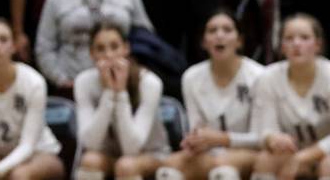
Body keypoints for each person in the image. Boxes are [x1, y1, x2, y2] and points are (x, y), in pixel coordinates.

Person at [156, 10, 264, 180]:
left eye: (227, 30)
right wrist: (193, 141)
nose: (219, 35)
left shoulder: (259, 75)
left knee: (223, 167)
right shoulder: (191, 77)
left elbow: (262, 136)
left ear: (239, 41)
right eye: (212, 31)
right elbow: (195, 128)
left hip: (251, 152)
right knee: (169, 167)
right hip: (210, 154)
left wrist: (222, 139)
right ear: (204, 42)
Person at [0, 18, 65, 180]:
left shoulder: (34, 81)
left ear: (13, 46)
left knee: (18, 175)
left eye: (3, 39)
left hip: (39, 153)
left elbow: (28, 145)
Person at [74, 21, 169, 180]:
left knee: (126, 165)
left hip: (150, 154)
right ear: (91, 53)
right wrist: (109, 94)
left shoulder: (150, 83)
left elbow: (131, 148)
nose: (109, 55)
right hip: (109, 155)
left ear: (126, 48)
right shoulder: (83, 82)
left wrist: (121, 93)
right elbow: (90, 143)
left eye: (114, 46)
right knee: (90, 160)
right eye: (100, 49)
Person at [249, 14, 330, 179]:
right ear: (281, 47)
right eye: (289, 38)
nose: (296, 43)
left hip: (324, 152)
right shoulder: (268, 77)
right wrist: (273, 138)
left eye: (305, 37)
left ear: (318, 45)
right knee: (265, 159)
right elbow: (263, 128)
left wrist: (304, 156)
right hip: (289, 152)